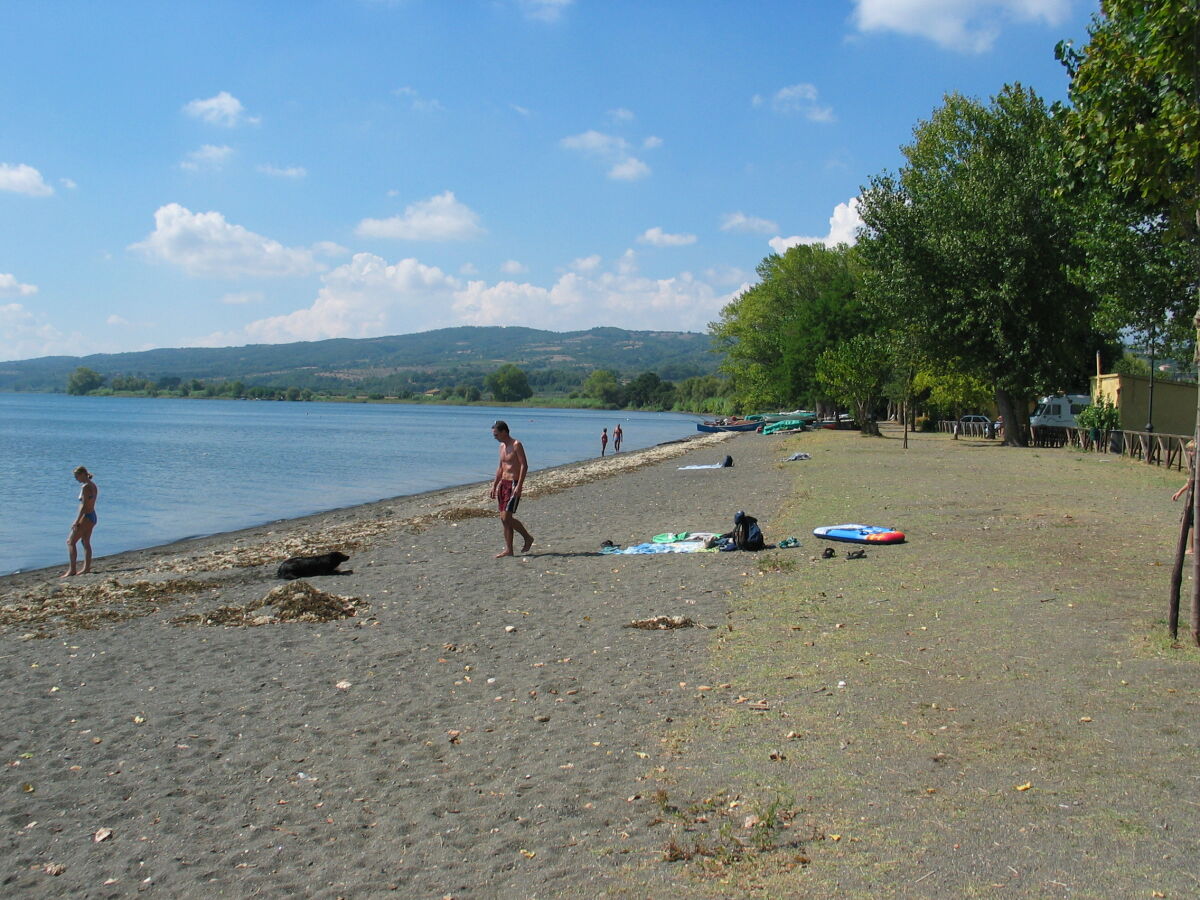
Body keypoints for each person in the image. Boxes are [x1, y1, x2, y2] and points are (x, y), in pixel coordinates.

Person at [489, 421, 533, 558]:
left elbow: (524, 465)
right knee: (503, 519)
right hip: (504, 483)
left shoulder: (516, 445)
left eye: (496, 434)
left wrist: (519, 485)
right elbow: (500, 467)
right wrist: (494, 485)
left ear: (504, 432)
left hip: (514, 483)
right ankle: (509, 549)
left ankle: (527, 537)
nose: (494, 437)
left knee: (507, 517)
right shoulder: (501, 446)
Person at [64, 465, 98, 577]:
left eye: (76, 476)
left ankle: (72, 569)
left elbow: (84, 506)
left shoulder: (86, 487)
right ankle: (86, 568)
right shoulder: (93, 485)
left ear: (82, 474)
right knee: (85, 542)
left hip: (86, 516)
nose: (76, 479)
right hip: (92, 515)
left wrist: (76, 521)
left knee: (70, 541)